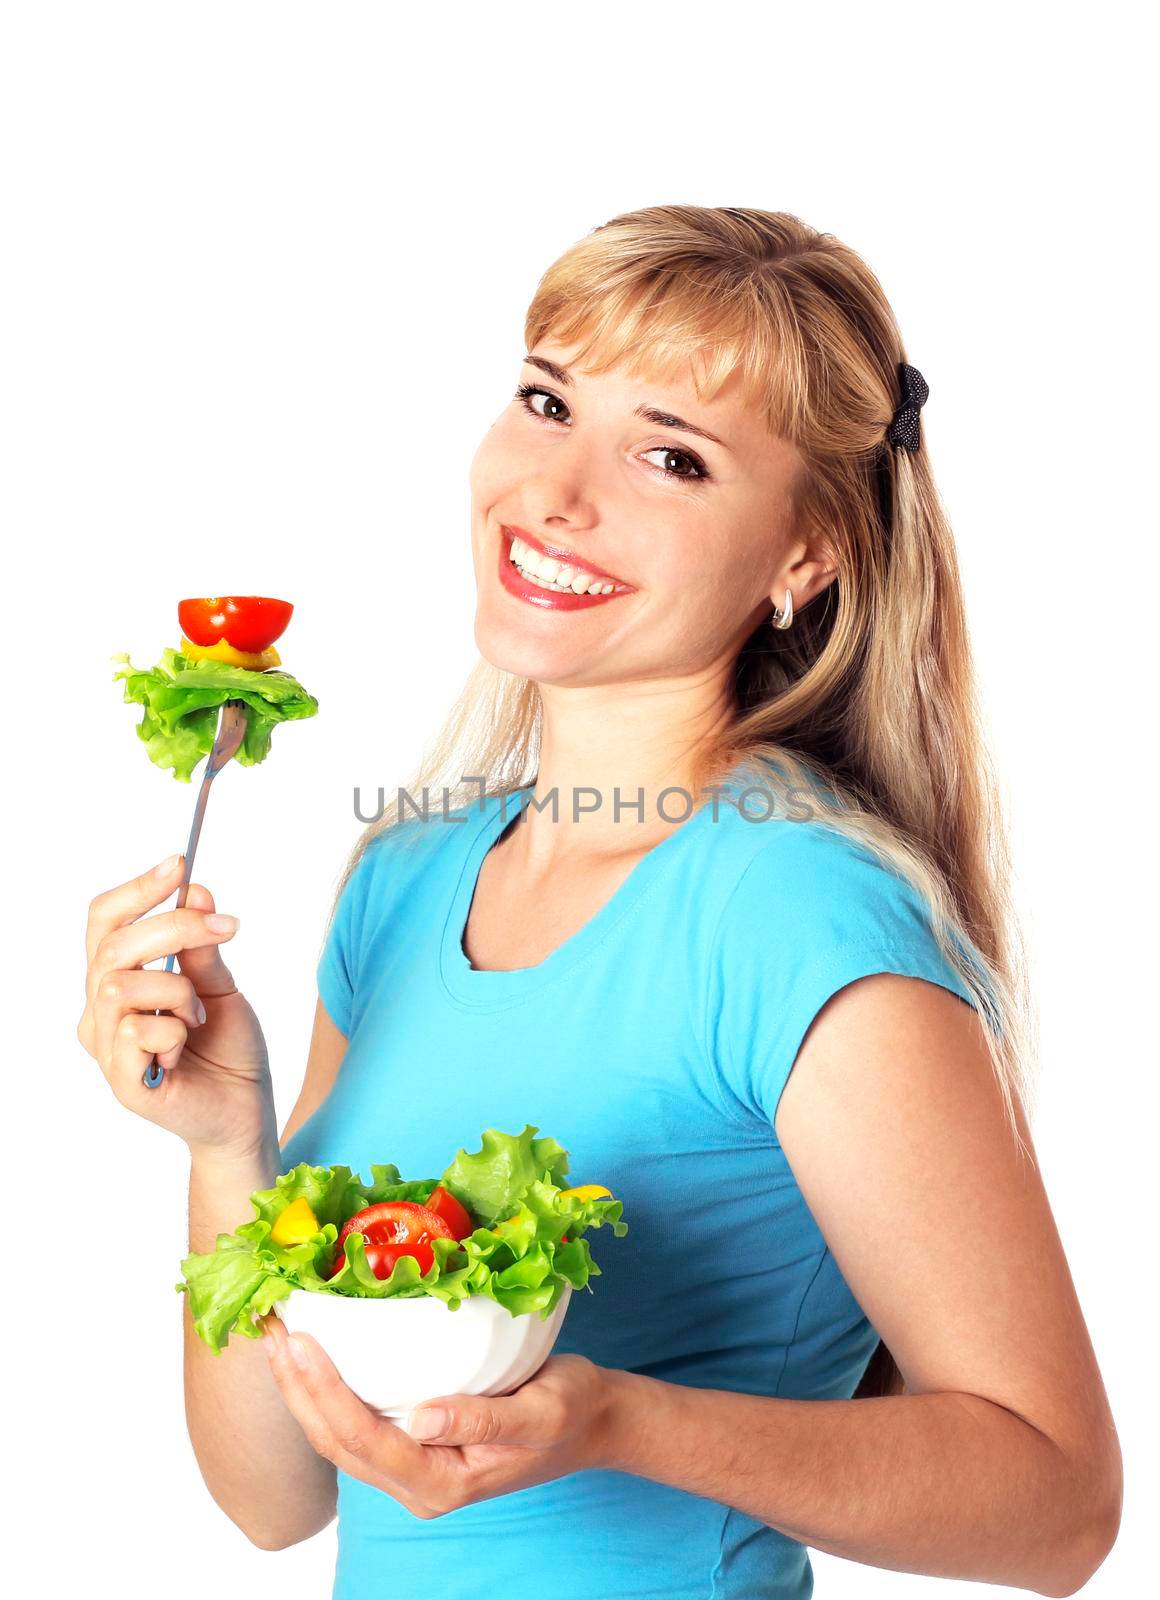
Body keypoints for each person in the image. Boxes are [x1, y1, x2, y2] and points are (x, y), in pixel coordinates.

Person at [78, 205, 1121, 1599]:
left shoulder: (800, 920)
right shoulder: (403, 882)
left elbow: (1058, 1509)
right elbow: (279, 1500)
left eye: (671, 456)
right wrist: (224, 1149)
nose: (557, 495)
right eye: (547, 398)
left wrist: (617, 1421)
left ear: (805, 556)